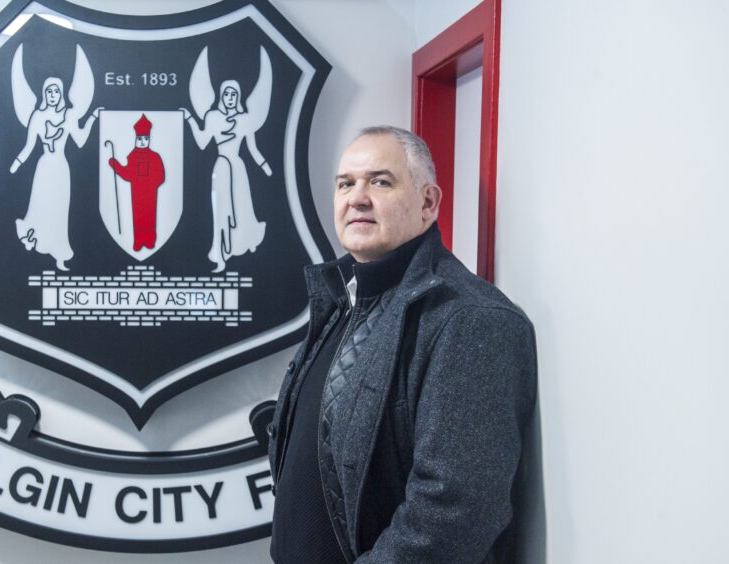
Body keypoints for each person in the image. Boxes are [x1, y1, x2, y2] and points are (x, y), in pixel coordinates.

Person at [268, 126, 537, 563]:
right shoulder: (344, 300)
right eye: (345, 184)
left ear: (428, 203)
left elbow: (455, 512)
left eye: (380, 181)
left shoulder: (469, 321)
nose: (357, 197)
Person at [11, 76, 102, 271]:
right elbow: (29, 146)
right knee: (39, 206)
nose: (52, 95)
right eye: (49, 92)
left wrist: (93, 117)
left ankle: (59, 255)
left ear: (61, 93)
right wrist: (17, 163)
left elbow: (80, 140)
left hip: (61, 168)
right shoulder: (37, 116)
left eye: (56, 91)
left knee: (59, 212)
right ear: (44, 94)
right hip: (44, 167)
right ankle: (31, 236)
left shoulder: (68, 115)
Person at [181, 80, 272, 272]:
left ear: (238, 97)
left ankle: (244, 244)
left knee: (242, 210)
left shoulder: (245, 120)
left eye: (234, 94)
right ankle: (220, 256)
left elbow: (252, 148)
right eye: (226, 94)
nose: (230, 98)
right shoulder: (213, 117)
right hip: (221, 167)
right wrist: (190, 118)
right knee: (220, 212)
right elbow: (202, 141)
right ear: (221, 96)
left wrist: (265, 167)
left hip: (238, 169)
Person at [108, 114, 166, 251]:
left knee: (150, 216)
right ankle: (139, 241)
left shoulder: (155, 157)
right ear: (136, 139)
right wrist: (115, 165)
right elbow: (127, 174)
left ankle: (150, 240)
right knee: (138, 216)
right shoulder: (133, 156)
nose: (142, 142)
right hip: (137, 193)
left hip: (151, 194)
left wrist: (152, 184)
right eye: (140, 139)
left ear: (149, 139)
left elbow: (161, 176)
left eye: (145, 139)